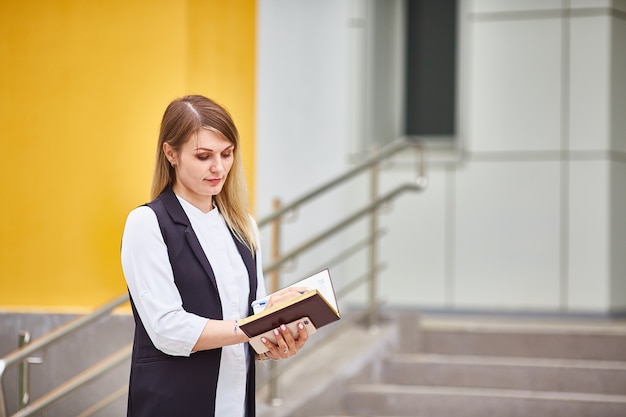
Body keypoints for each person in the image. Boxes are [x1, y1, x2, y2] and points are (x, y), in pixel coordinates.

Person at [120, 94, 309, 417]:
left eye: (227, 153)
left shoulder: (242, 225)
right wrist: (252, 326)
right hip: (171, 404)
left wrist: (275, 341)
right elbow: (168, 329)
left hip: (234, 405)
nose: (218, 167)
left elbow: (251, 316)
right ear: (171, 153)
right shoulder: (148, 223)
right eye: (204, 156)